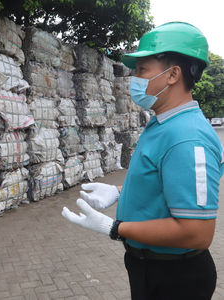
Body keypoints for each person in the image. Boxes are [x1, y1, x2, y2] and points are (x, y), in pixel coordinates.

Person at [61, 22, 224, 300]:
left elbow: (196, 233)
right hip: (149, 267)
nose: (133, 78)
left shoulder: (187, 137)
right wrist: (119, 192)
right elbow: (167, 184)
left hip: (176, 279)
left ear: (173, 75)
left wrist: (113, 227)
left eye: (142, 70)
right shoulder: (163, 124)